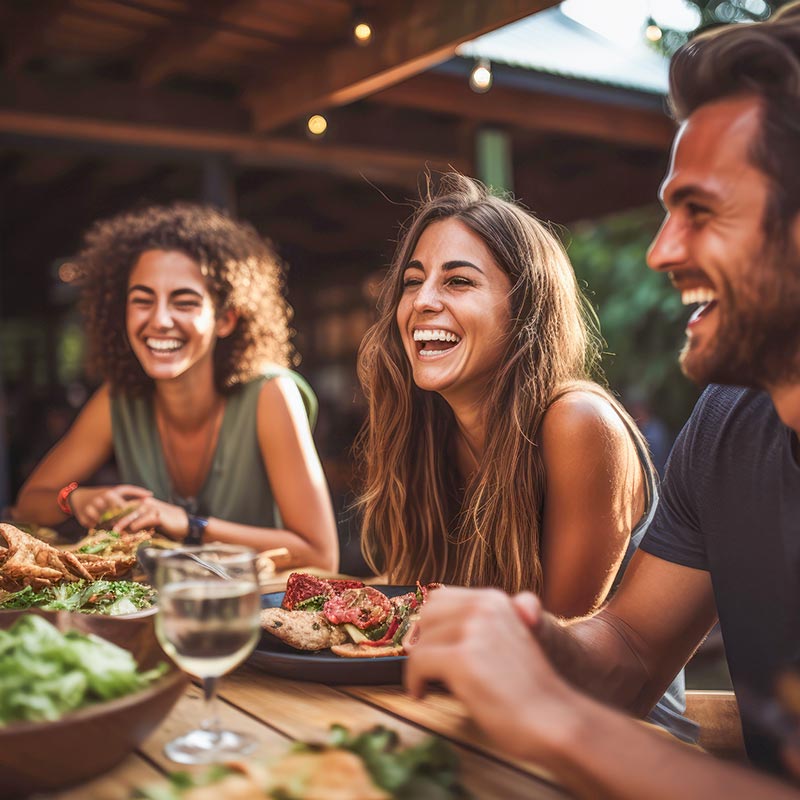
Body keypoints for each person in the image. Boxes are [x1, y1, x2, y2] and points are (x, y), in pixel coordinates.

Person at [405, 3, 800, 796]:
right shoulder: (726, 421)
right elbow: (629, 643)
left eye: (702, 212)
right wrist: (538, 645)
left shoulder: (579, 420)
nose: (661, 252)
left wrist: (558, 716)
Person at [356, 173, 694, 739]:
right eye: (413, 282)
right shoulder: (424, 425)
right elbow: (411, 596)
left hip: (609, 745)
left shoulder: (578, 423)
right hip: (463, 714)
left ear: (525, 308)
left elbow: (554, 656)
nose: (423, 302)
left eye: (459, 281)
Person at [14, 204, 338, 570]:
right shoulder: (118, 399)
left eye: (184, 302)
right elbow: (29, 503)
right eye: (142, 301)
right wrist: (76, 499)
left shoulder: (270, 395)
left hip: (253, 615)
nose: (160, 320)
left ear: (225, 319)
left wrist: (188, 525)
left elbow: (320, 553)